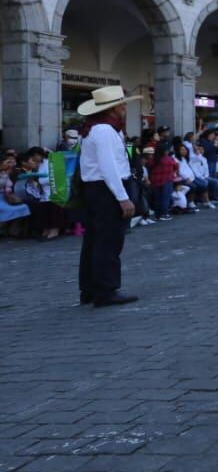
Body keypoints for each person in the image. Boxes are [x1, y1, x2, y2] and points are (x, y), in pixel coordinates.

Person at [76, 86, 139, 307]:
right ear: (112, 108)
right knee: (108, 241)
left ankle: (90, 289)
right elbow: (108, 167)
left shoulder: (97, 128)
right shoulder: (103, 130)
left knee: (94, 240)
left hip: (97, 189)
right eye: (122, 104)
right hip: (106, 190)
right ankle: (105, 290)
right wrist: (123, 197)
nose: (124, 107)